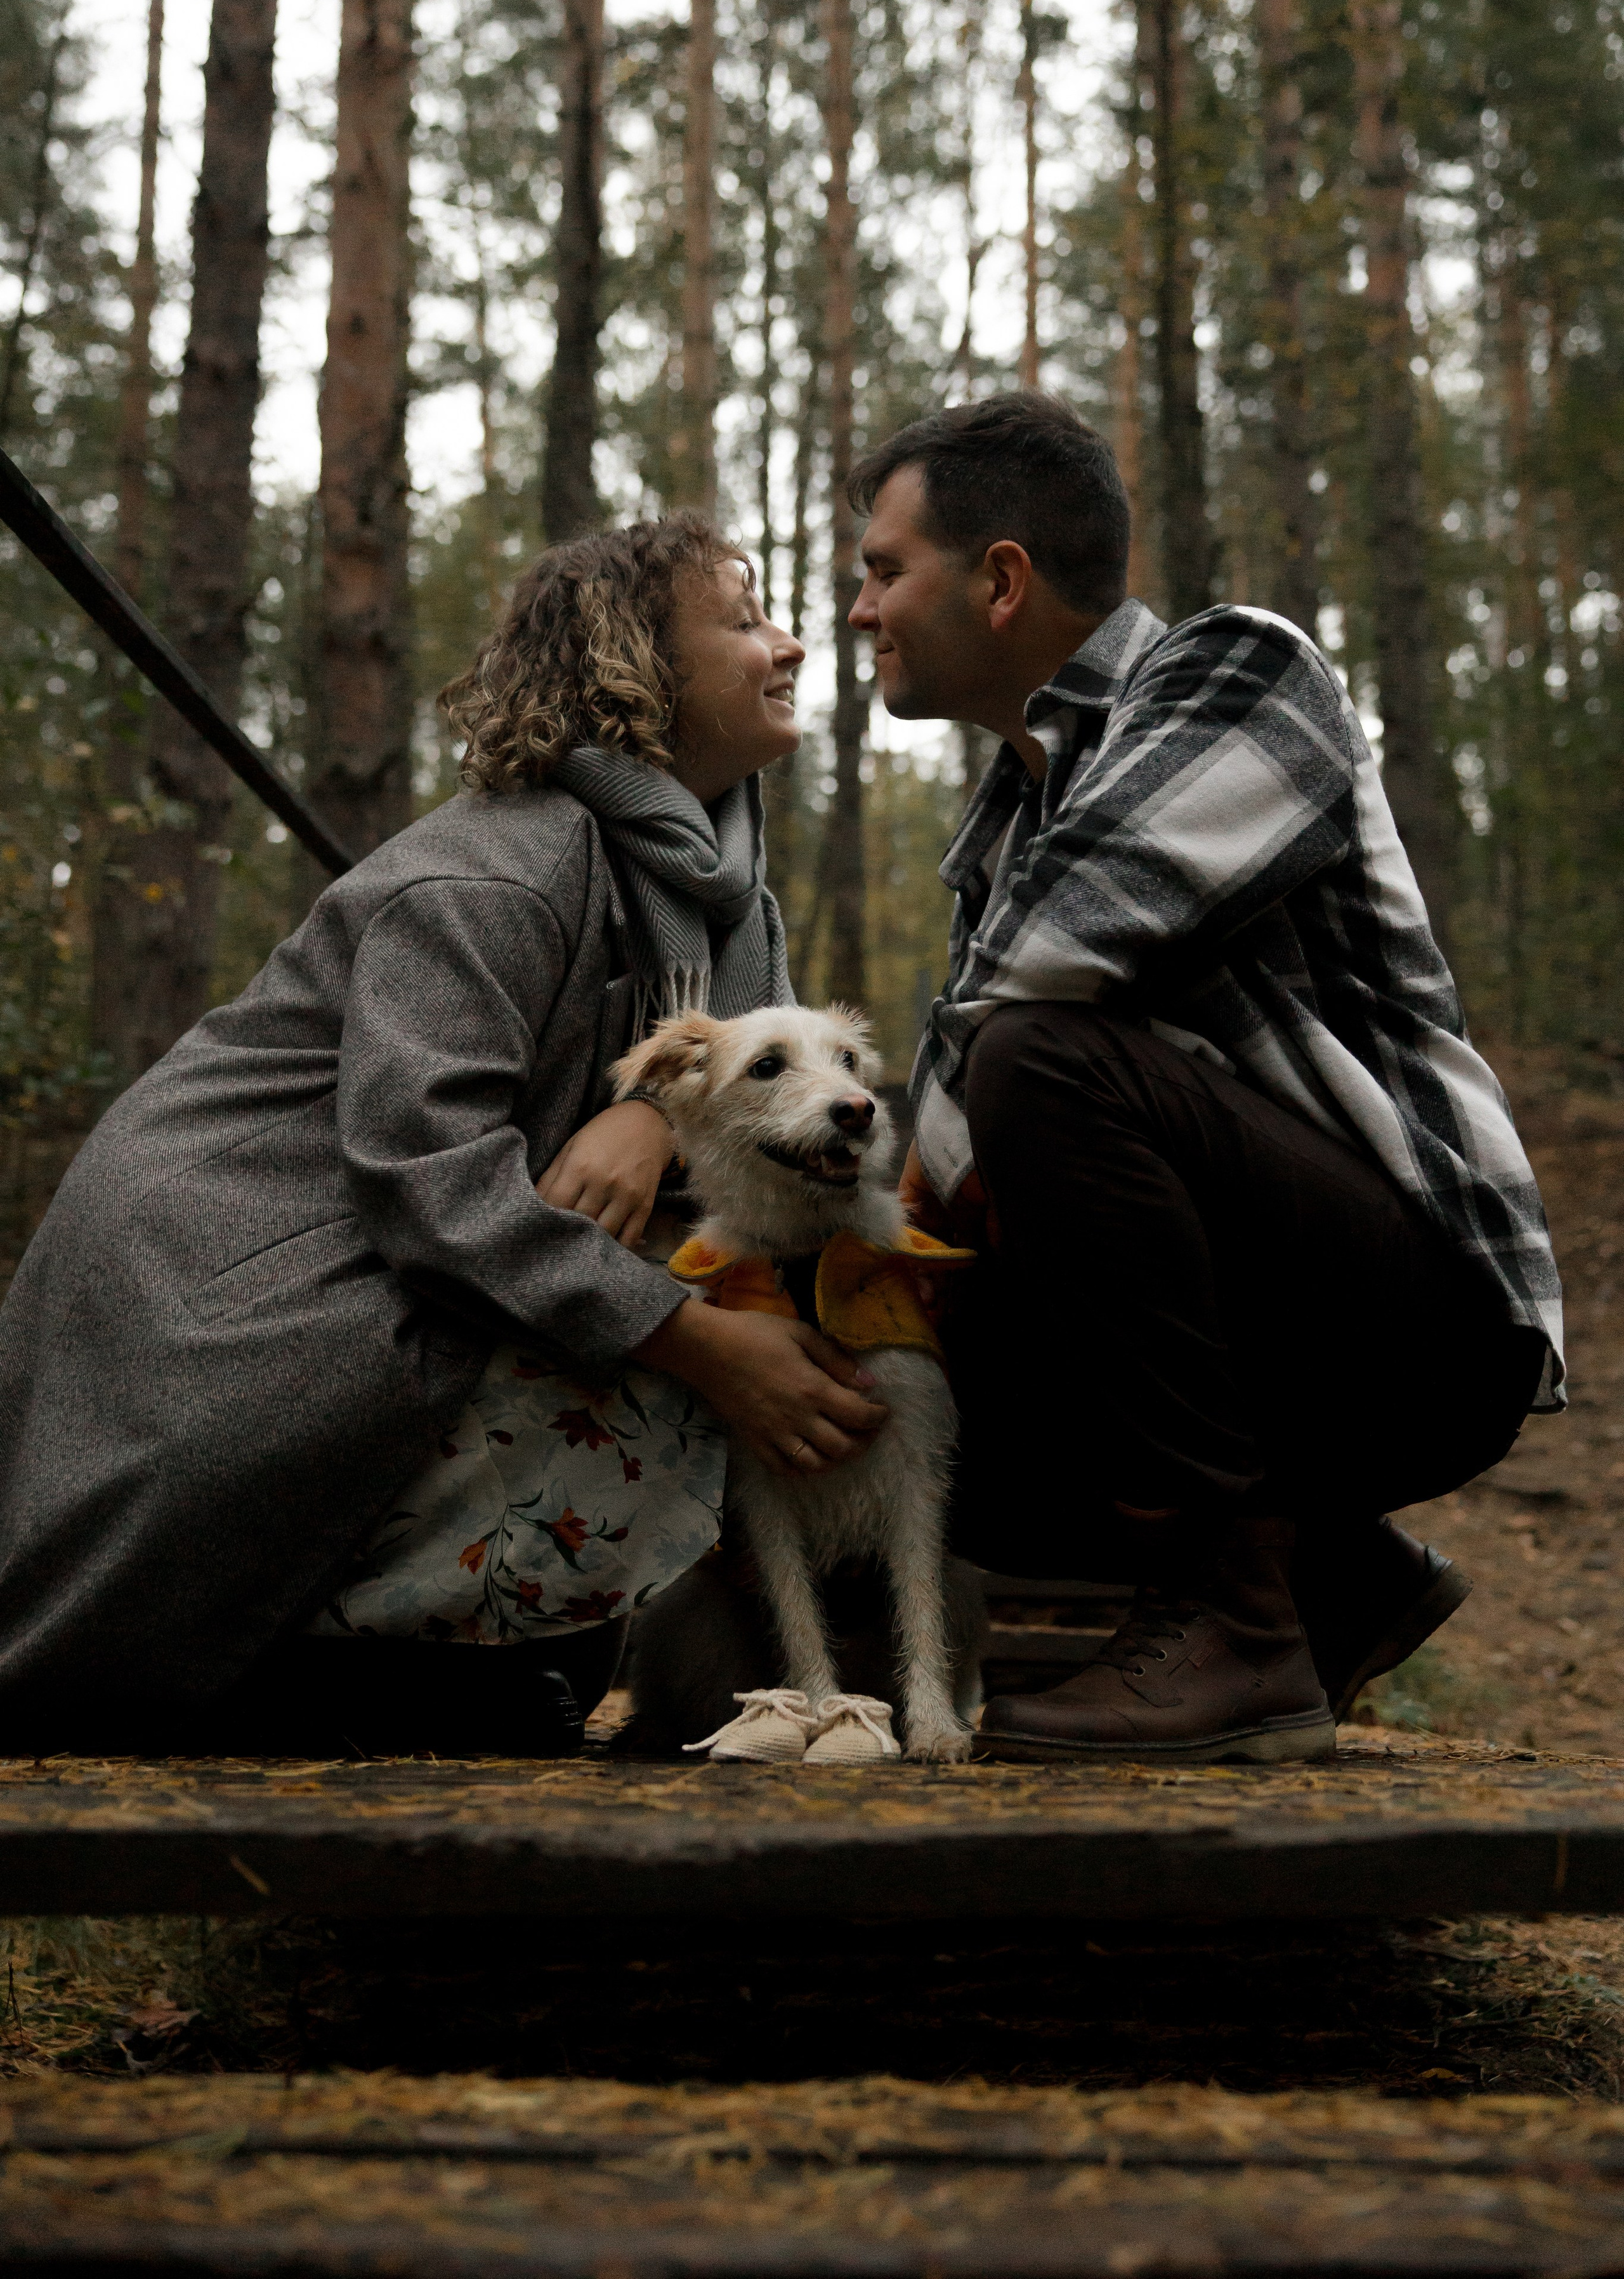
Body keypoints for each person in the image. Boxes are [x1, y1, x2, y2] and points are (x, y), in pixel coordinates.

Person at [0, 515, 887, 1754]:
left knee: (744, 1310)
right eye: (741, 624)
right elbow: (430, 1183)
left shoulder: (721, 901)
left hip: (382, 1282)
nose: (788, 644)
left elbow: (749, 1112)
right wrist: (703, 1349)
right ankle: (314, 1668)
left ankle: (444, 1670)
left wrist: (649, 1112)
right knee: (690, 1366)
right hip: (237, 1301)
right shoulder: (494, 875)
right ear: (637, 670)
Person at [847, 391, 1562, 1763]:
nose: (861, 610)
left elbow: (1051, 963)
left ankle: (1232, 1627)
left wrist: (921, 1217)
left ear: (999, 579)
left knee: (1036, 1065)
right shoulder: (1006, 810)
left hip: (1422, 1324)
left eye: (884, 571)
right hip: (1270, 1333)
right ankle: (1327, 1574)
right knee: (903, 1388)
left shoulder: (1237, 670)